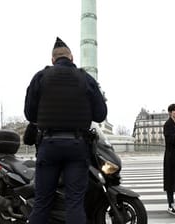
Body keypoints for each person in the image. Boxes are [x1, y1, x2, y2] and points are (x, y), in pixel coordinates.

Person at [24, 37, 107, 224]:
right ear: (71, 57)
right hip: (77, 146)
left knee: (42, 202)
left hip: (49, 145)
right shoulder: (85, 78)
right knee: (75, 203)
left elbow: (30, 113)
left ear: (52, 60)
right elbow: (100, 114)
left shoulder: (40, 77)